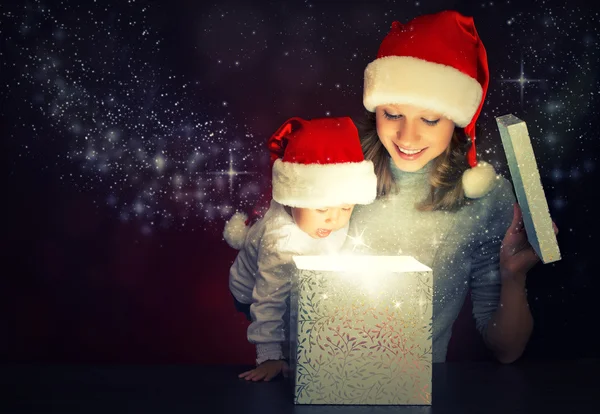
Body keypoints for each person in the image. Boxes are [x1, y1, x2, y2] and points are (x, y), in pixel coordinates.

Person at [349, 10, 557, 364]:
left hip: (417, 393)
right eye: (393, 114)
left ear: (458, 120)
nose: (407, 137)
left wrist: (512, 277)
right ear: (375, 109)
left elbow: (506, 350)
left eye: (430, 119)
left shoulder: (486, 197)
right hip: (318, 381)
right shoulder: (338, 169)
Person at [223, 116, 377, 381]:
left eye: (347, 208)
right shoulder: (282, 241)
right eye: (321, 209)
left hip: (301, 270)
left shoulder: (329, 214)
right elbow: (268, 299)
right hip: (252, 291)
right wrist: (270, 356)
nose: (334, 219)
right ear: (293, 200)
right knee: (288, 330)